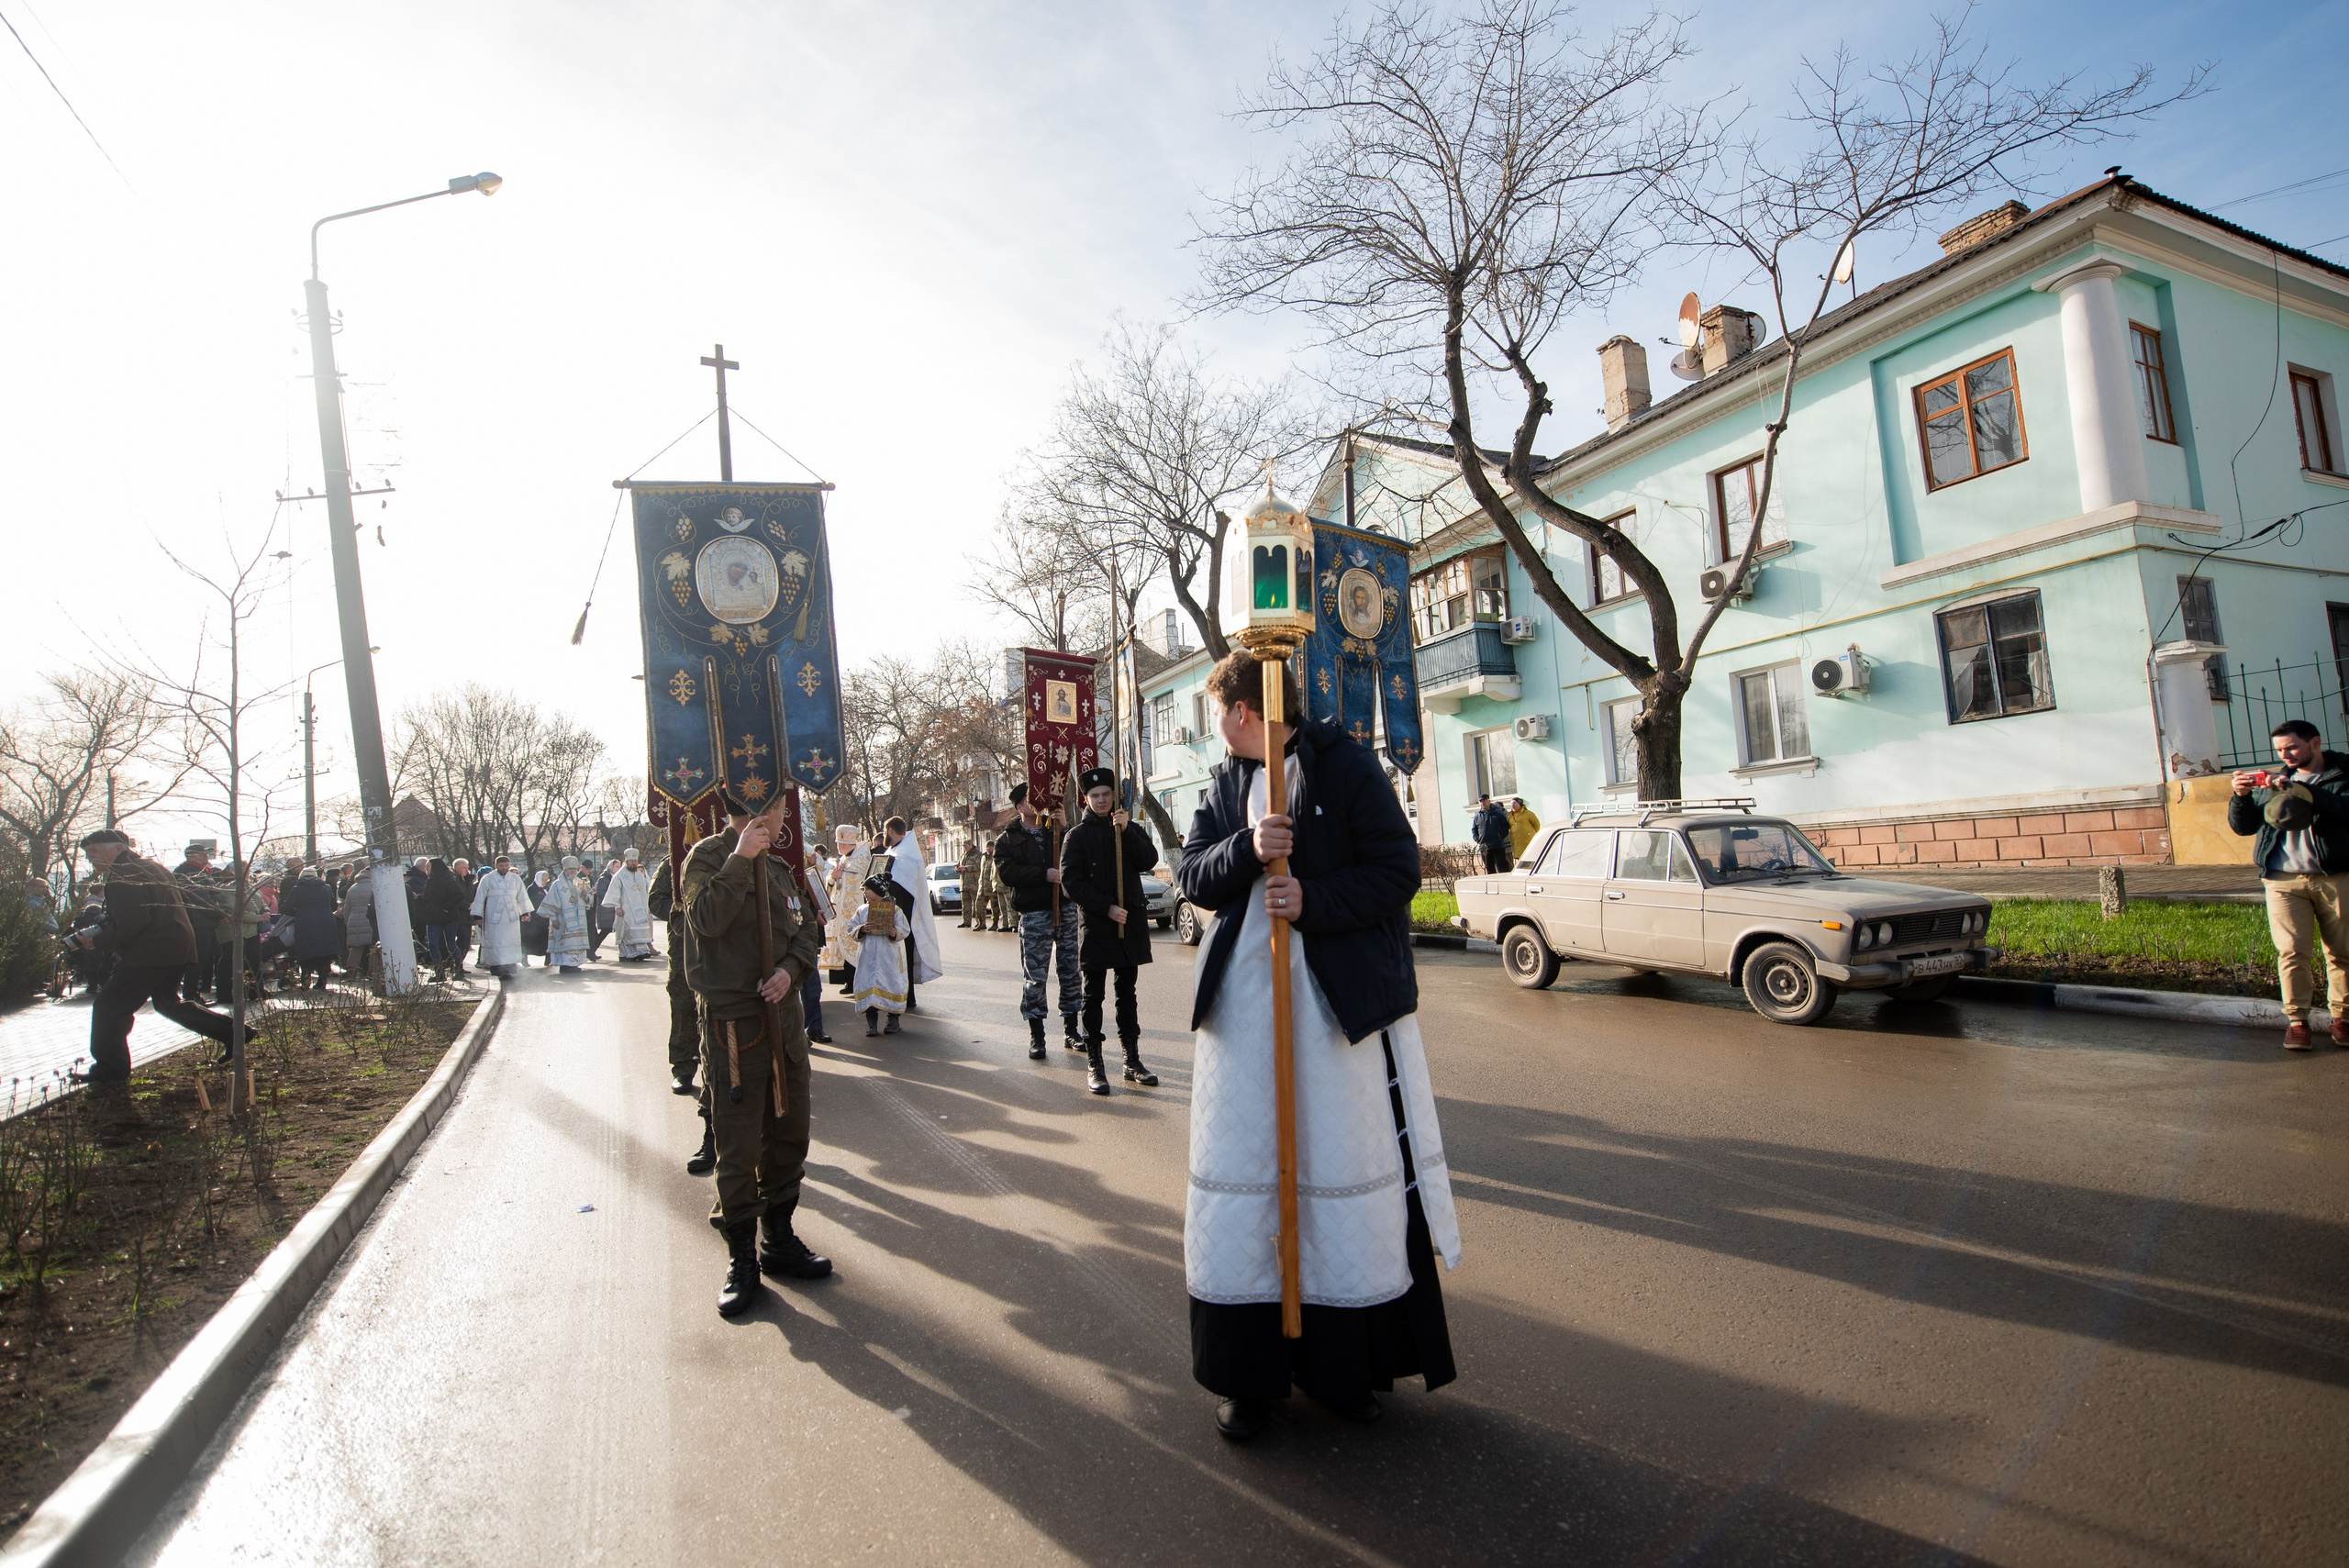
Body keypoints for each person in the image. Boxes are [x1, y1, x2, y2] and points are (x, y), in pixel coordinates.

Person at [1176, 650, 1461, 1442]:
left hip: (1333, 1019)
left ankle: (1342, 1367)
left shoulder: (1344, 763)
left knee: (1336, 1174)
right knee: (1247, 1182)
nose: (1219, 730)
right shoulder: (1227, 780)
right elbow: (1195, 873)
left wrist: (1312, 897)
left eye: (1218, 715)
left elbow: (1397, 867)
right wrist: (1246, 846)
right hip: (1244, 1023)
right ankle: (1248, 1377)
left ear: (1241, 711)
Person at [681, 789, 830, 1316]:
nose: (786, 815)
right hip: (734, 1031)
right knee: (739, 1149)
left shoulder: (782, 869)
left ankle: (778, 1240)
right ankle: (742, 1258)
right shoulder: (706, 858)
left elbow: (808, 930)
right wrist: (740, 858)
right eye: (781, 807)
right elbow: (704, 920)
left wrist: (790, 971)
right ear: (759, 806)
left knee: (789, 1135)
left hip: (784, 1025)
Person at [69, 829, 239, 1084]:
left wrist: (96, 942)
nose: (90, 858)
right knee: (168, 1003)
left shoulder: (124, 875)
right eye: (87, 853)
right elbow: (178, 899)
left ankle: (111, 1069)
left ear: (116, 848)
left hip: (151, 950)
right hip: (175, 945)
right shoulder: (150, 866)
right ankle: (237, 1034)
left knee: (109, 1006)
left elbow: (132, 922)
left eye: (94, 851)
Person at [2230, 717, 2349, 1051]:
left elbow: (2344, 809)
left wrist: (2305, 792)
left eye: (2292, 747)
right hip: (2282, 879)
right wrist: (2240, 796)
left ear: (2315, 742)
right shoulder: (2275, 780)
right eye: (2280, 750)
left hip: (2335, 876)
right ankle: (2298, 1022)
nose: (2286, 755)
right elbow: (2244, 827)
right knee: (2292, 951)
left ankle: (2343, 1019)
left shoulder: (2342, 774)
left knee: (2341, 952)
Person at [1061, 766, 1161, 1095]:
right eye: (1095, 796)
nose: (1101, 800)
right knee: (1093, 997)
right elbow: (1070, 883)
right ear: (1085, 799)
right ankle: (1095, 1063)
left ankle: (1131, 1061)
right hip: (1098, 926)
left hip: (1129, 925)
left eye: (1106, 794)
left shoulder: (1127, 827)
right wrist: (1106, 907)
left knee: (1127, 995)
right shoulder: (1076, 836)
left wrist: (1128, 830)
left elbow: (1149, 859)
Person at [996, 783, 1083, 1060]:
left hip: (1065, 908)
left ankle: (1072, 1030)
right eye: (1029, 801)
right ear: (1019, 807)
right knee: (1035, 976)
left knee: (1070, 970)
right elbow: (1009, 874)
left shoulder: (1054, 829)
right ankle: (1037, 1035)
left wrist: (1066, 827)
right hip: (1034, 913)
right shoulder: (1007, 840)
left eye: (1039, 799)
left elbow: (1077, 857)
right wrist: (1042, 874)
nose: (1037, 804)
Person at [645, 852, 702, 1098]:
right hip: (684, 945)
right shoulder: (673, 860)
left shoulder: (731, 849)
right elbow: (655, 900)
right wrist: (687, 911)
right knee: (683, 1004)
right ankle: (683, 1066)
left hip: (725, 945)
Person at [876, 816, 943, 1010]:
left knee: (901, 957)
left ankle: (905, 997)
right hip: (896, 915)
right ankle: (897, 995)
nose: (882, 833)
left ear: (890, 831)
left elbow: (900, 889)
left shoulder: (905, 856)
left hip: (903, 917)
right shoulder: (897, 851)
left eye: (884, 829)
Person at [847, 874, 908, 1035]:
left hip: (889, 956)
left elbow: (905, 929)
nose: (864, 892)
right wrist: (861, 929)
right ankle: (871, 1022)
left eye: (867, 889)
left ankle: (893, 1019)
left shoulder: (895, 910)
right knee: (869, 985)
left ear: (877, 891)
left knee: (891, 983)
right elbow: (851, 928)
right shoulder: (862, 910)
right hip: (868, 956)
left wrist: (896, 932)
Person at [824, 825, 876, 995]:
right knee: (845, 943)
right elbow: (834, 880)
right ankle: (849, 981)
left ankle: (858, 983)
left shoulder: (862, 858)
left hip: (855, 910)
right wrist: (833, 877)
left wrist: (842, 875)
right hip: (842, 909)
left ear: (848, 843)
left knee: (855, 944)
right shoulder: (845, 858)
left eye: (841, 843)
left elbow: (860, 878)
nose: (838, 847)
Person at [173, 842, 226, 1005]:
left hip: (201, 921)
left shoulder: (199, 871)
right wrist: (219, 914)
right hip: (198, 922)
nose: (206, 856)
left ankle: (190, 993)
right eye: (202, 854)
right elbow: (201, 899)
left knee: (200, 958)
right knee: (197, 959)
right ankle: (191, 995)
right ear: (191, 856)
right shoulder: (192, 873)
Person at [471, 854, 530, 980]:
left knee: (510, 939)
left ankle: (510, 967)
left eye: (506, 865)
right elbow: (480, 897)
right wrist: (477, 915)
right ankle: (497, 968)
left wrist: (524, 913)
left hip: (511, 916)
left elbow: (522, 896)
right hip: (493, 916)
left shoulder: (515, 878)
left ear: (509, 865)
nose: (504, 868)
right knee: (496, 940)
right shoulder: (487, 878)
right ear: (495, 866)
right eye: (501, 866)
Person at [284, 867, 341, 990]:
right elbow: (333, 905)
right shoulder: (326, 888)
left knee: (306, 950)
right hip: (326, 923)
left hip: (305, 923)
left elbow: (285, 908)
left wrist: (298, 913)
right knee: (324, 952)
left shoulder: (297, 889)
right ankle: (322, 982)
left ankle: (305, 982)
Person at [418, 858, 472, 981]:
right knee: (432, 944)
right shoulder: (431, 880)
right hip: (433, 918)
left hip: (448, 917)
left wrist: (446, 907)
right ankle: (439, 972)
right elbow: (430, 898)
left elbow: (458, 895)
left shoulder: (448, 879)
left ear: (435, 868)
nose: (426, 869)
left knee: (451, 944)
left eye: (428, 867)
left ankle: (458, 970)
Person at [543, 856, 592, 973]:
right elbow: (550, 904)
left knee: (576, 943)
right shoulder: (557, 885)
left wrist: (586, 896)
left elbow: (590, 899)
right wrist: (554, 919)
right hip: (563, 920)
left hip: (579, 920)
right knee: (566, 944)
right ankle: (565, 965)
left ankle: (574, 964)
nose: (573, 872)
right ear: (564, 869)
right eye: (570, 869)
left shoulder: (580, 883)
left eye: (574, 869)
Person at [338, 866, 379, 992]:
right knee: (373, 947)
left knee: (356, 948)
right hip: (371, 921)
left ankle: (351, 971)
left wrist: (347, 922)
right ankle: (372, 971)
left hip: (354, 920)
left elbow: (347, 909)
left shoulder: (352, 889)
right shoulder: (375, 887)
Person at [1468, 793, 1510, 874]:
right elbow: (1474, 829)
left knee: (1502, 869)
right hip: (1485, 847)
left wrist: (1499, 837)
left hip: (1498, 845)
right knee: (1489, 869)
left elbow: (1505, 827)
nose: (1482, 803)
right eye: (1480, 802)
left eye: (1484, 801)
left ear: (1489, 801)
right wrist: (1478, 839)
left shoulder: (1497, 813)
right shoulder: (1478, 815)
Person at [587, 858, 617, 960]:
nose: (618, 868)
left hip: (614, 909)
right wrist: (613, 897)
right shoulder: (605, 878)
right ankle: (591, 951)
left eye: (619, 866)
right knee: (605, 930)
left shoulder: (616, 877)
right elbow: (599, 892)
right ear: (611, 867)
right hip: (606, 909)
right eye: (616, 866)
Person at [1507, 797, 1542, 863]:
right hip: (1516, 843)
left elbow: (1537, 825)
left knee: (1529, 859)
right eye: (1511, 803)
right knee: (1520, 861)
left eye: (1514, 803)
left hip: (1527, 841)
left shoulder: (1528, 814)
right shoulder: (1510, 816)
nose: (1512, 805)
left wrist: (1532, 834)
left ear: (1520, 804)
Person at [957, 844, 982, 929]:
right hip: (964, 884)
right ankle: (966, 922)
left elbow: (979, 866)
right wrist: (957, 868)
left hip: (974, 884)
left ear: (971, 845)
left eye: (966, 846)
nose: (965, 847)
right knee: (965, 905)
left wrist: (966, 868)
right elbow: (957, 865)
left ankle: (980, 922)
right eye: (963, 846)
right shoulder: (963, 855)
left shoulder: (978, 855)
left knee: (977, 905)